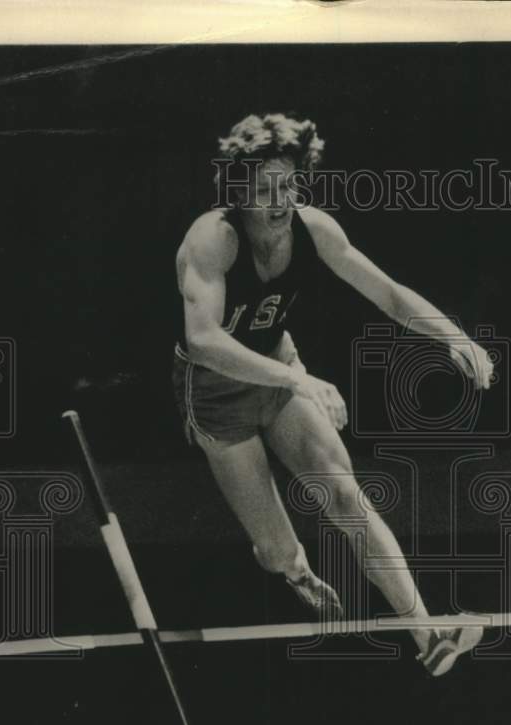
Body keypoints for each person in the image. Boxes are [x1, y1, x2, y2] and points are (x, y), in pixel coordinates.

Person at [173, 113, 493, 676]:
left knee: (346, 499)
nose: (279, 202)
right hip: (218, 397)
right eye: (264, 188)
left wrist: (453, 334)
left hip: (278, 371)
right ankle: (296, 570)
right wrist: (300, 380)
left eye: (289, 185)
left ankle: (429, 636)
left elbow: (389, 294)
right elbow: (203, 342)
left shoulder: (313, 228)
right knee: (274, 551)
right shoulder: (212, 239)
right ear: (237, 189)